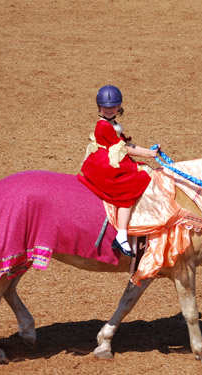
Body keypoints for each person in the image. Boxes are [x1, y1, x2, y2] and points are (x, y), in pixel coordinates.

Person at [78, 85, 159, 257]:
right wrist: (147, 154)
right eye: (105, 107)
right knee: (129, 188)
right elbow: (124, 149)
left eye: (112, 107)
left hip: (109, 159)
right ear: (99, 107)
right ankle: (122, 234)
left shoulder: (111, 123)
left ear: (118, 107)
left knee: (142, 171)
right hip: (105, 165)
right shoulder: (104, 126)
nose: (109, 110)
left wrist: (150, 152)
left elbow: (126, 145)